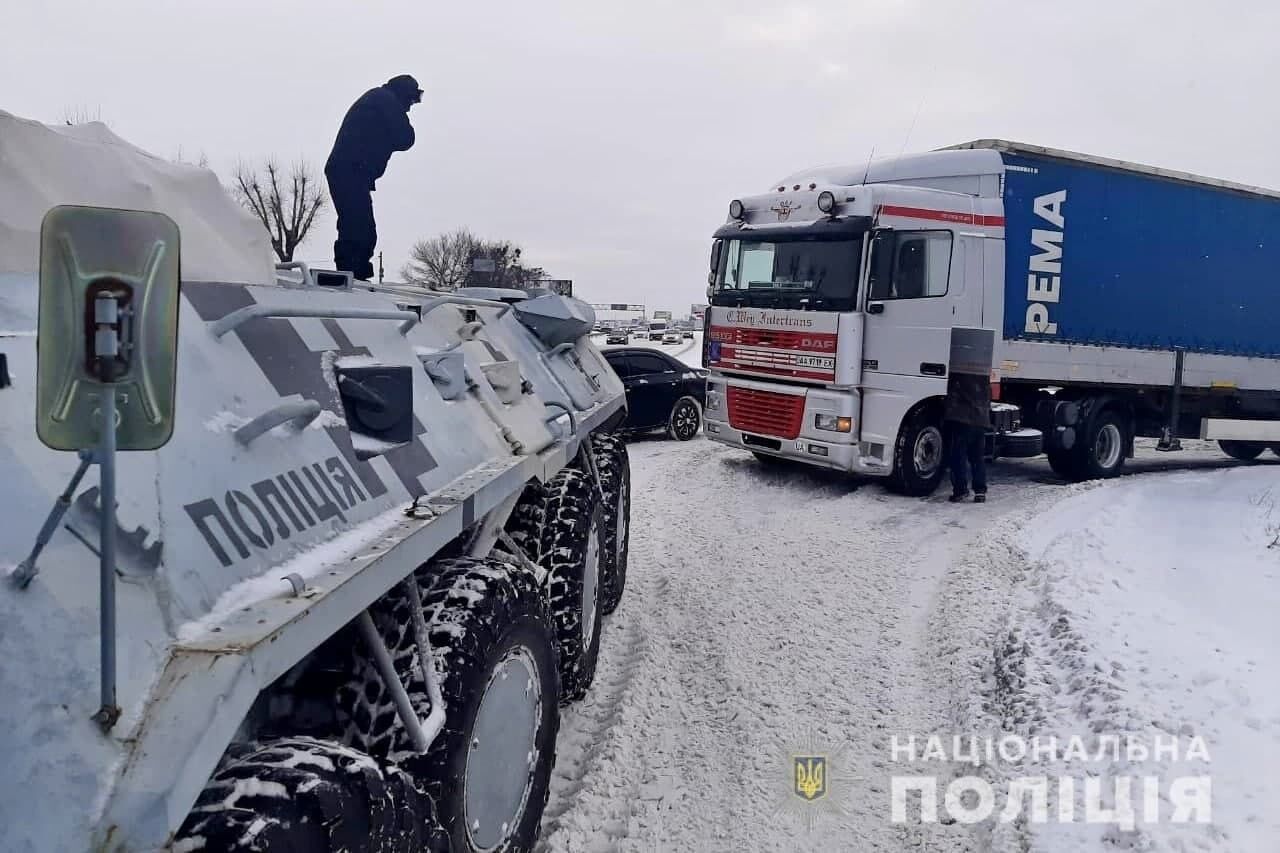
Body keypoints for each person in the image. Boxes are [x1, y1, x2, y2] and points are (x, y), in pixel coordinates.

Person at [325, 75, 421, 281]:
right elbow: (406, 138)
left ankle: (352, 270)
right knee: (359, 225)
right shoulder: (386, 100)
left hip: (351, 170)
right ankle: (352, 272)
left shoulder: (379, 98)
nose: (410, 108)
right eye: (411, 101)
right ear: (404, 94)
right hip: (350, 170)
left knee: (356, 222)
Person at [944, 371, 991, 503]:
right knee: (977, 458)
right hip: (981, 420)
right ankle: (980, 492)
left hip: (962, 421)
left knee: (958, 457)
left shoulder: (958, 373)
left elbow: (952, 394)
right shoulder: (984, 375)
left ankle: (960, 490)